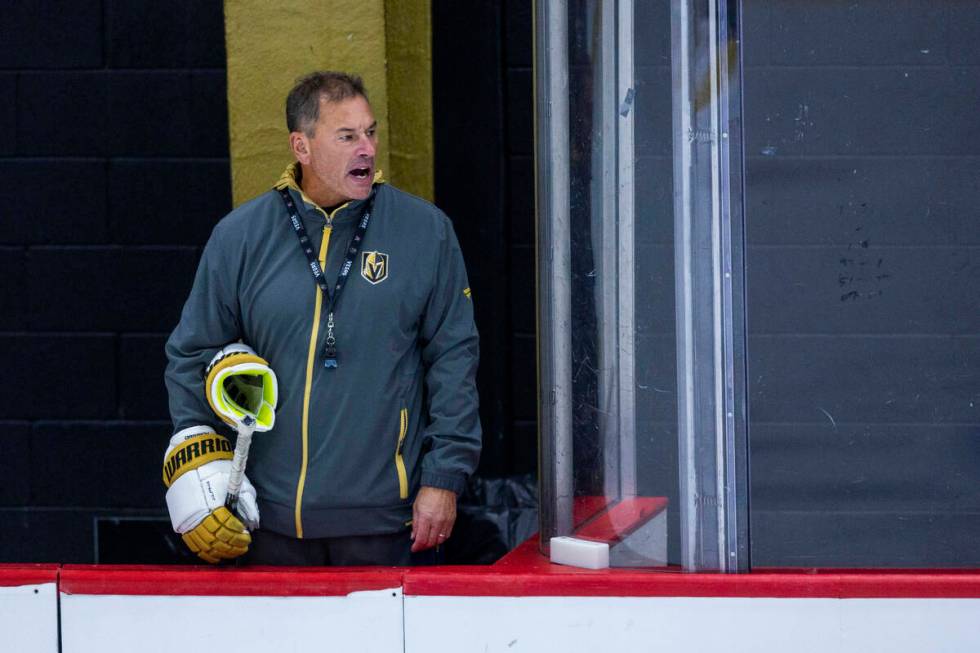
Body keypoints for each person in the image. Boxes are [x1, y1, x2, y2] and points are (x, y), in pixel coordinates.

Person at [162, 71, 481, 566]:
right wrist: (197, 470)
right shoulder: (240, 236)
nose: (367, 150)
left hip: (386, 522)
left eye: (370, 133)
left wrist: (444, 479)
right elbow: (192, 354)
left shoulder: (425, 232)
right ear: (302, 146)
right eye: (347, 136)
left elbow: (454, 361)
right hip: (266, 522)